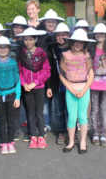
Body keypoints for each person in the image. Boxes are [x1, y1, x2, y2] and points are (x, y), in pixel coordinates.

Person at [59, 29, 96, 154]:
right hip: (71, 90)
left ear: (84, 44)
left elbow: (91, 74)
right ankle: (70, 142)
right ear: (72, 42)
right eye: (76, 42)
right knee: (72, 117)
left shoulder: (86, 55)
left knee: (83, 117)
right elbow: (62, 75)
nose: (78, 44)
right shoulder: (65, 55)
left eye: (81, 42)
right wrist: (71, 89)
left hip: (84, 89)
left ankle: (83, 142)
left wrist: (84, 90)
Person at [16, 28, 51, 149]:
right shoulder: (21, 53)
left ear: (35, 39)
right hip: (27, 88)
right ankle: (32, 136)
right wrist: (24, 83)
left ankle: (41, 136)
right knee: (30, 113)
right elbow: (19, 71)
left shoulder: (41, 53)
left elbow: (47, 71)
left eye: (31, 39)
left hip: (38, 87)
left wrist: (35, 83)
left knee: (39, 113)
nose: (28, 42)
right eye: (26, 39)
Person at [0, 36, 21, 154]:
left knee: (11, 120)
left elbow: (17, 80)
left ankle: (10, 142)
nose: (2, 49)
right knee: (2, 120)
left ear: (9, 48)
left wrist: (17, 97)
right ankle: (3, 143)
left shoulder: (13, 62)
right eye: (0, 47)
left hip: (11, 95)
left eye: (5, 47)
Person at [36, 9, 65, 137]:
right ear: (45, 22)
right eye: (49, 22)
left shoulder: (62, 36)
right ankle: (46, 125)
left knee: (60, 106)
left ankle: (62, 128)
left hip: (59, 76)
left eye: (53, 22)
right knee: (46, 104)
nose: (51, 24)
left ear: (57, 22)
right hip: (44, 74)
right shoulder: (39, 36)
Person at [89, 23, 106, 146]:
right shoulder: (90, 48)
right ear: (94, 34)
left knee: (104, 108)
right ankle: (95, 132)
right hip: (93, 82)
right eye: (97, 33)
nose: (99, 35)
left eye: (102, 33)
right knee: (94, 108)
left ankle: (103, 133)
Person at [46, 22, 70, 144]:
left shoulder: (73, 48)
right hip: (57, 86)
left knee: (71, 111)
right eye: (58, 35)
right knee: (59, 110)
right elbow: (49, 69)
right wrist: (49, 86)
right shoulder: (52, 50)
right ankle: (62, 131)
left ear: (68, 35)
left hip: (71, 86)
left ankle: (73, 131)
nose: (60, 37)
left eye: (63, 34)